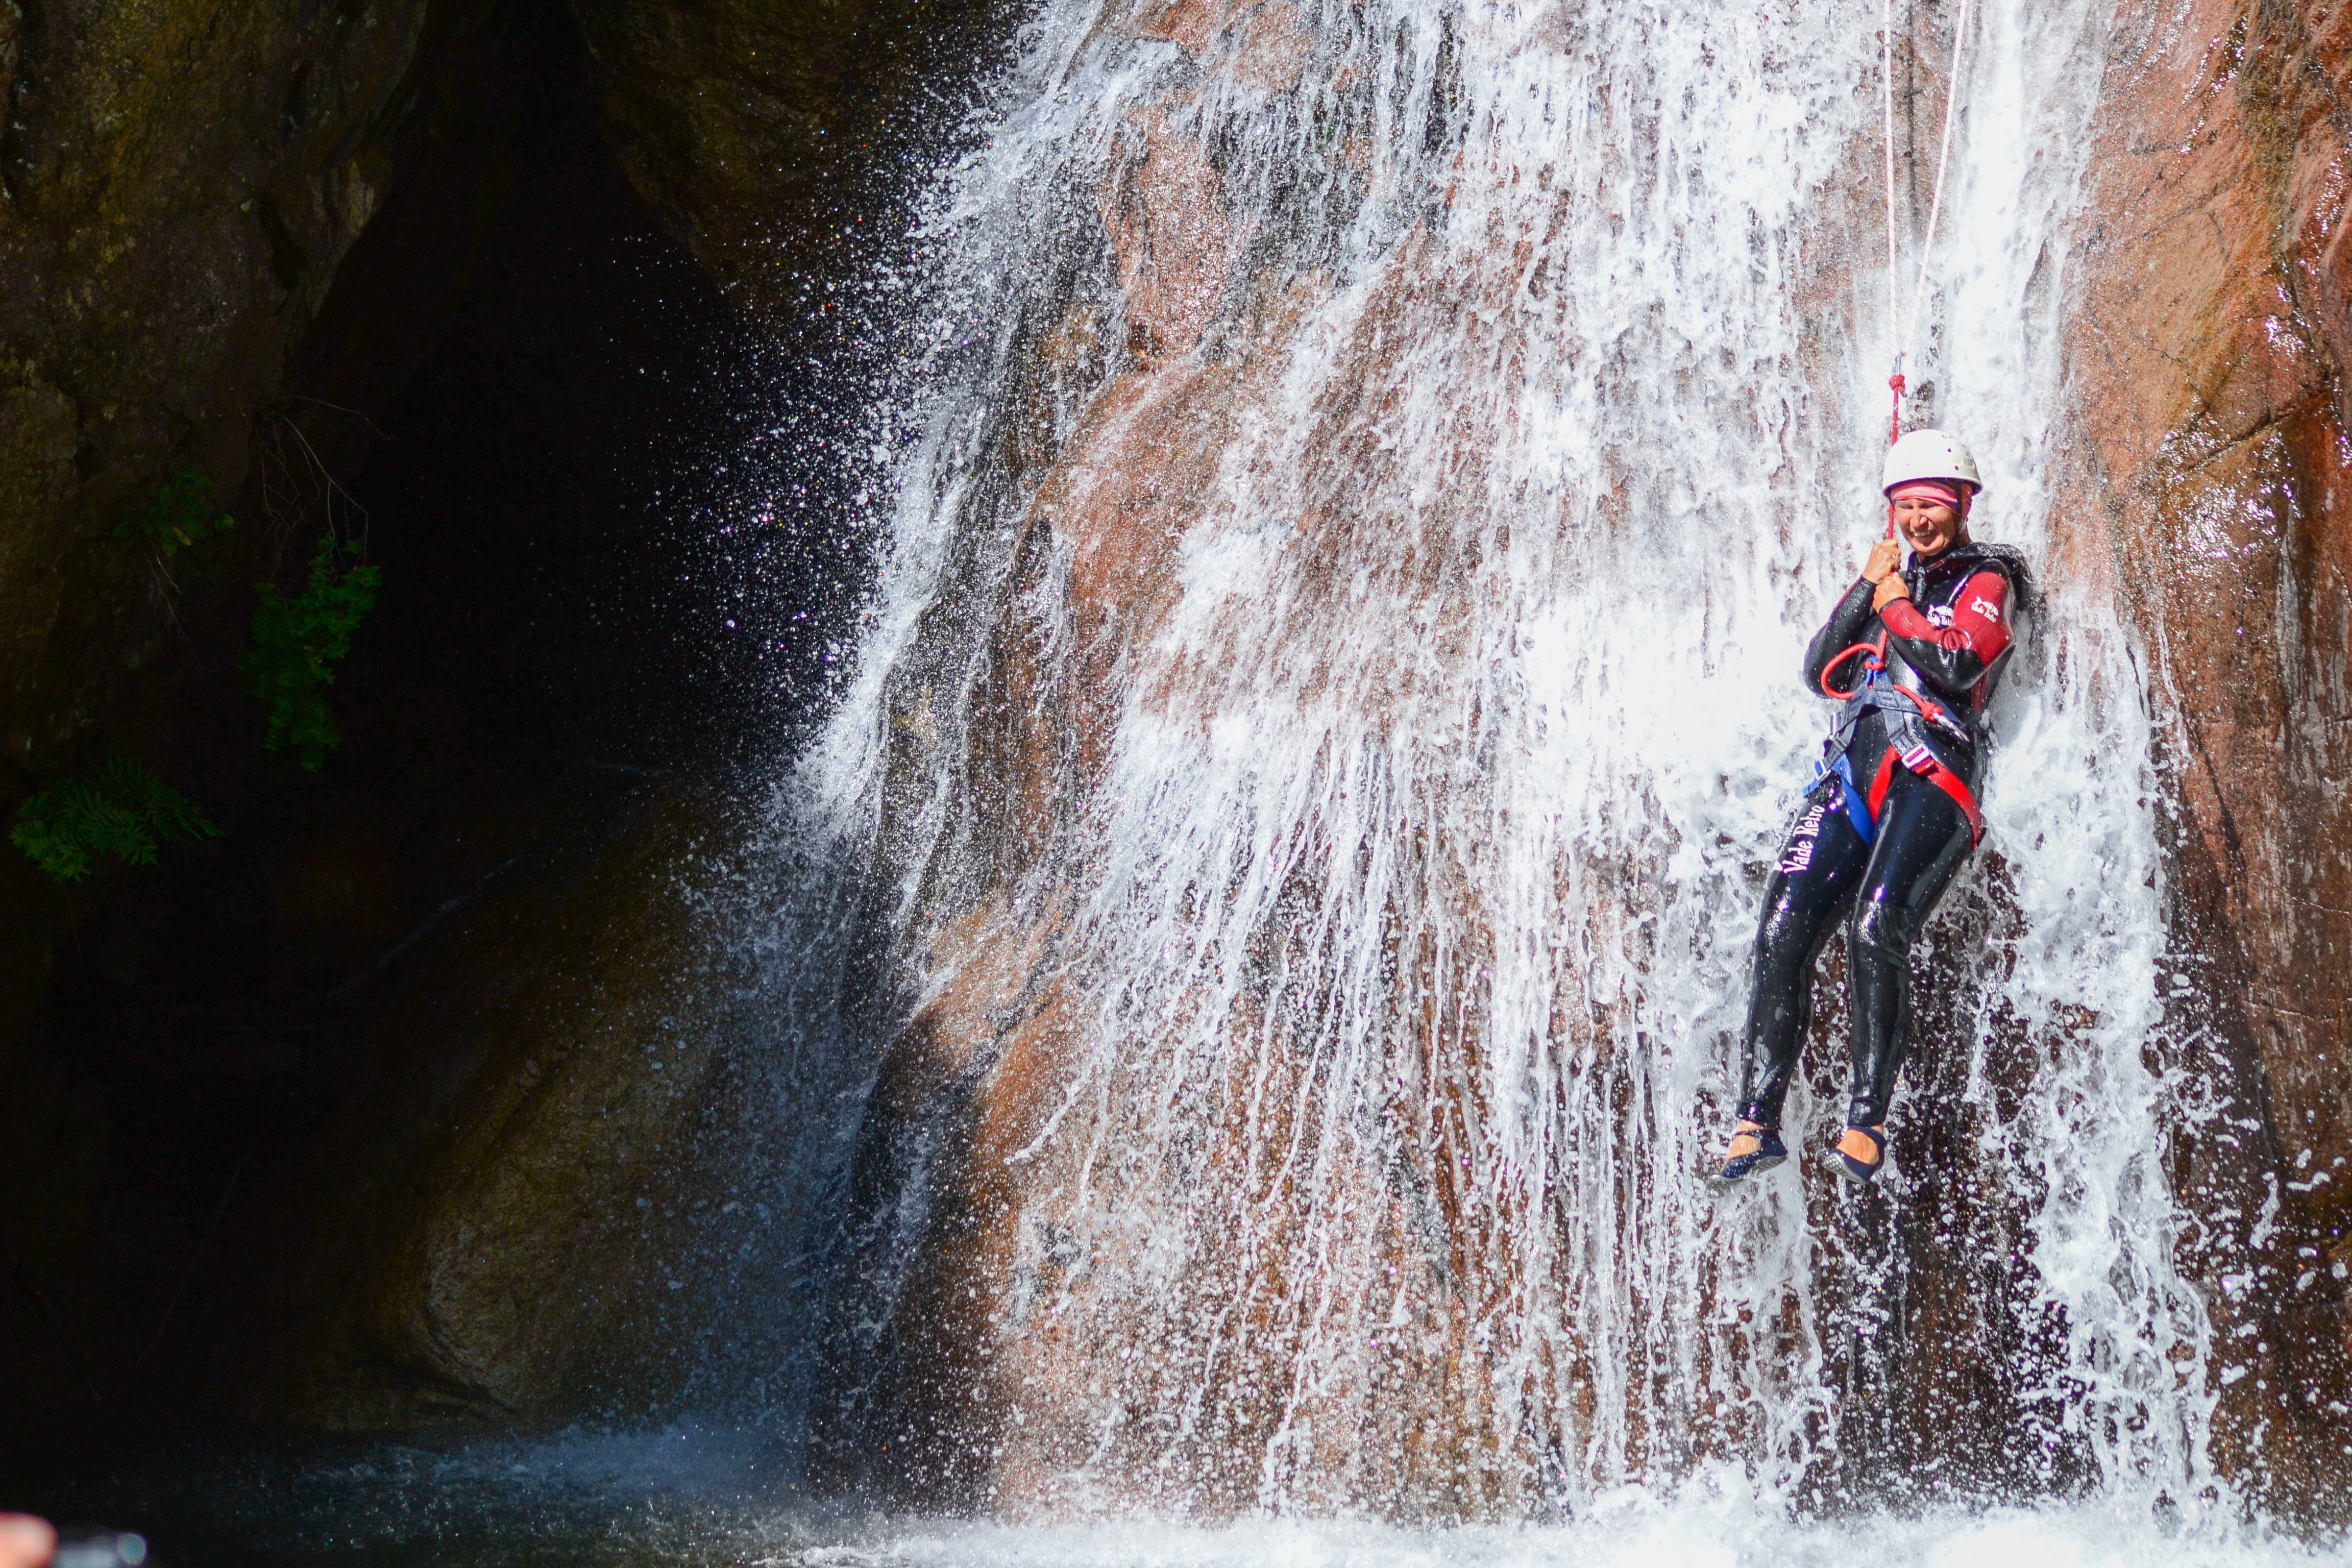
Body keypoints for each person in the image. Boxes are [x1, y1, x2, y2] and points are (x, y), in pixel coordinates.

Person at [1714, 429, 2029, 1187]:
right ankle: (1756, 1119)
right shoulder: (1890, 578)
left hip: (1935, 773)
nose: (1919, 520)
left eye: (1931, 505)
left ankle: (1866, 1119)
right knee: (1781, 932)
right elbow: (1818, 665)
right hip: (1852, 774)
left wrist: (1893, 605)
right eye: (1906, 507)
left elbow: (1957, 664)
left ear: (1959, 506)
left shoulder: (1987, 579)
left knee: (1875, 927)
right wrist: (1868, 587)